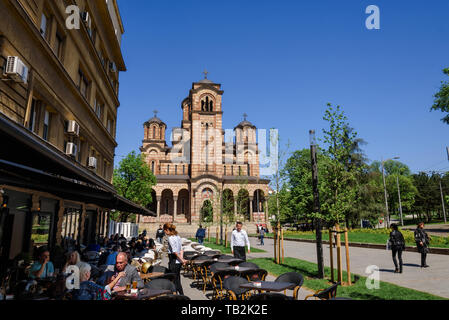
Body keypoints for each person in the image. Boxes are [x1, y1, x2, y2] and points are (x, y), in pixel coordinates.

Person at [164, 223, 185, 295]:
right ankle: (177, 295)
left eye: (165, 231)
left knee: (174, 280)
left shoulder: (170, 238)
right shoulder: (178, 237)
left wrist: (182, 260)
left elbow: (175, 251)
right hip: (178, 261)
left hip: (173, 260)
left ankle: (180, 295)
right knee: (177, 279)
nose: (165, 233)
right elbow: (181, 249)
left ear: (167, 230)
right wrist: (182, 259)